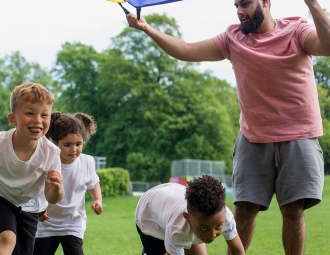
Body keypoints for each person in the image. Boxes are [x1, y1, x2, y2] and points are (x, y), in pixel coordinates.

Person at [126, 0, 330, 253]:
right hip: (253, 137)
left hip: (299, 135)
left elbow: (328, 45)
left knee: (292, 211)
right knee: (243, 210)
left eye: (245, 4)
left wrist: (312, 4)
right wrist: (147, 28)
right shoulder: (232, 38)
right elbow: (186, 50)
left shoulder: (297, 29)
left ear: (265, 2)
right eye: (236, 5)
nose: (239, 11)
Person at [0, 82, 64, 255]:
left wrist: (57, 189)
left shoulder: (51, 153)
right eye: (29, 113)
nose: (37, 120)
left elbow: (51, 197)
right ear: (13, 119)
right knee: (6, 238)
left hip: (28, 205)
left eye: (44, 115)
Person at [34, 112, 103, 255]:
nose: (74, 150)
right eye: (67, 145)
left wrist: (98, 199)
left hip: (73, 223)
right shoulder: (47, 162)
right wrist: (39, 208)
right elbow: (35, 188)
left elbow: (93, 183)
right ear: (54, 142)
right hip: (45, 224)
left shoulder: (87, 162)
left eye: (78, 144)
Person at [135, 175, 245, 255]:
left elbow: (238, 251)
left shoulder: (225, 216)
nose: (212, 235)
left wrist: (202, 228)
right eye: (204, 228)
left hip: (172, 204)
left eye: (218, 227)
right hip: (149, 217)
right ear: (187, 217)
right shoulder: (177, 229)